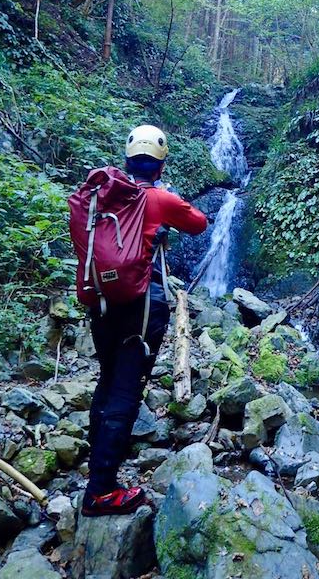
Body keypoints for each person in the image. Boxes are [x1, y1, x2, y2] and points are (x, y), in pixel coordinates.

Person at [82, 124, 207, 516]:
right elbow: (200, 223)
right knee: (127, 390)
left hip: (102, 302)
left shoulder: (104, 198)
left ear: (126, 160)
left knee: (108, 379)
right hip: (143, 306)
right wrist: (164, 209)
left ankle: (96, 468)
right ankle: (101, 490)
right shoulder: (158, 198)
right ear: (160, 163)